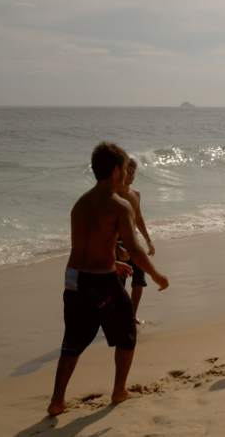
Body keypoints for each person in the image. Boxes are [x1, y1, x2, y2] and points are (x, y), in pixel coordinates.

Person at [48, 142, 169, 416]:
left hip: (73, 277)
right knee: (127, 329)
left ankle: (57, 401)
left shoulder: (81, 203)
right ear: (116, 171)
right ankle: (119, 391)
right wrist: (156, 274)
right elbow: (135, 249)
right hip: (99, 282)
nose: (127, 175)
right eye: (126, 169)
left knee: (73, 340)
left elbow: (83, 246)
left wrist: (113, 261)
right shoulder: (119, 204)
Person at [115, 158, 155, 325]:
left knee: (139, 280)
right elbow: (106, 226)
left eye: (133, 172)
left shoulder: (135, 194)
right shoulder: (113, 195)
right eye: (128, 172)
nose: (130, 175)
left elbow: (138, 219)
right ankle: (118, 317)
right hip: (117, 243)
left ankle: (132, 316)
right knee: (120, 284)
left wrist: (148, 240)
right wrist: (117, 247)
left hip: (134, 242)